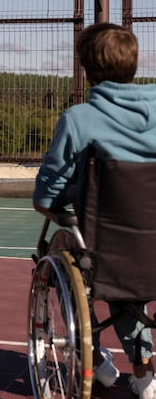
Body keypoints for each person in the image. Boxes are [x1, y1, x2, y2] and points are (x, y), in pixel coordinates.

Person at [33, 22, 156, 399]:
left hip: (108, 251)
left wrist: (63, 200)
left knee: (59, 250)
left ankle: (94, 359)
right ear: (133, 66)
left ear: (87, 69)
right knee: (130, 286)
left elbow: (46, 192)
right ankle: (143, 373)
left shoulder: (79, 120)